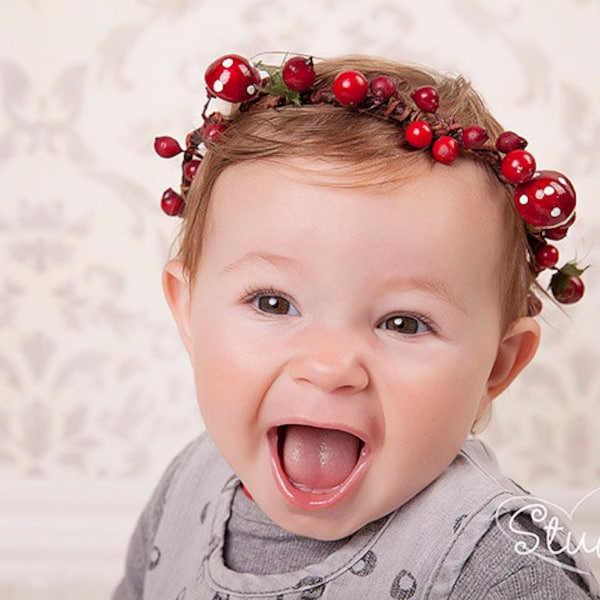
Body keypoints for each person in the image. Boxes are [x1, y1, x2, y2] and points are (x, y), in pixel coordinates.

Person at [113, 53, 598, 599]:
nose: (330, 367)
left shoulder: (499, 571)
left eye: (404, 323)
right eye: (273, 303)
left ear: (497, 365)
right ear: (188, 311)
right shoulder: (188, 486)